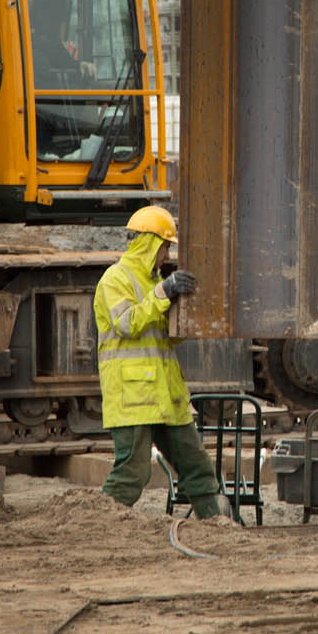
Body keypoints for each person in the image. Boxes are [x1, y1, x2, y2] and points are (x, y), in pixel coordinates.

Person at [96, 205, 223, 518]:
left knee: (197, 467)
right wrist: (164, 292)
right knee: (133, 474)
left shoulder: (154, 282)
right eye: (165, 246)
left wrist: (182, 311)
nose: (166, 255)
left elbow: (165, 337)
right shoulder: (115, 279)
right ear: (148, 242)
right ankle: (98, 528)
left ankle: (218, 524)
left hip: (165, 393)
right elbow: (127, 324)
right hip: (133, 396)